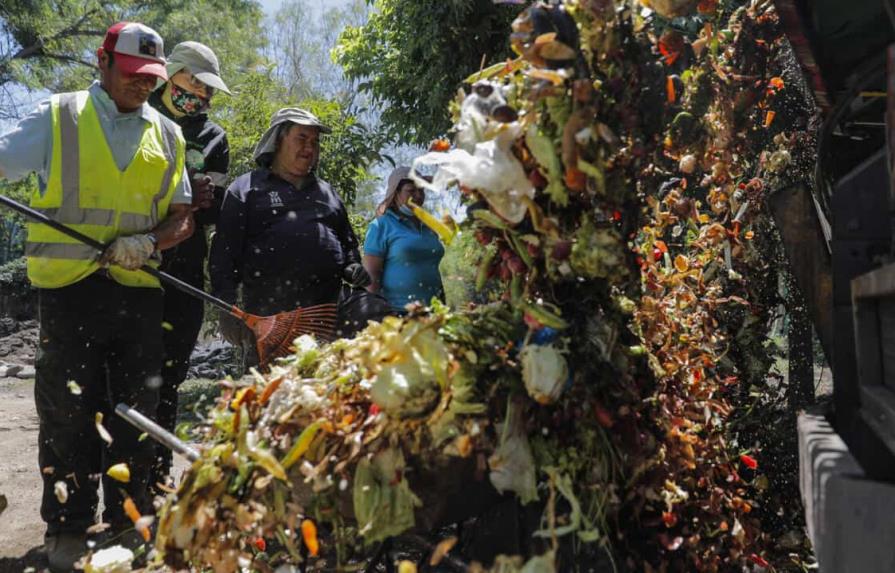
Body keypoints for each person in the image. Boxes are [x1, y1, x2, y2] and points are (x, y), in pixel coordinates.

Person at [0, 22, 193, 571]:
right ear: (103, 61)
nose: (142, 86)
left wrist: (148, 241)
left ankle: (132, 519)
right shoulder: (57, 116)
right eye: (132, 74)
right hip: (69, 292)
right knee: (68, 411)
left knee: (137, 412)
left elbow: (182, 220)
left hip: (139, 293)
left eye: (150, 78)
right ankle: (69, 525)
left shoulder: (169, 134)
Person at [209, 107, 374, 358]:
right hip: (269, 320)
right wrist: (226, 307)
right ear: (278, 140)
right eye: (302, 138)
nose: (310, 148)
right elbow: (224, 254)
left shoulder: (327, 193)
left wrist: (353, 265)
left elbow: (347, 242)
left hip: (326, 318)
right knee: (268, 391)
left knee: (324, 389)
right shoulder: (246, 189)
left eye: (315, 142)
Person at [147, 41, 230, 494]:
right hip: (134, 265)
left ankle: (157, 477)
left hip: (184, 269)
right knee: (127, 373)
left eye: (206, 89)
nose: (199, 95)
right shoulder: (138, 118)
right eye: (193, 83)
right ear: (171, 75)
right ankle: (119, 483)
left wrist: (204, 204)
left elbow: (214, 214)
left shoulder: (214, 137)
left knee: (169, 378)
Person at [363, 166, 445, 314]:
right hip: (396, 313)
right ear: (396, 194)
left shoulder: (429, 228)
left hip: (434, 312)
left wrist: (443, 307)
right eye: (411, 191)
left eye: (421, 190)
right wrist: (374, 314)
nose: (418, 195)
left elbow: (432, 269)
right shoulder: (381, 225)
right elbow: (371, 275)